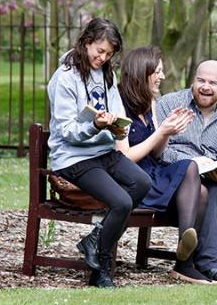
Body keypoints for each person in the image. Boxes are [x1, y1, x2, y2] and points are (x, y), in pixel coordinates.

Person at [46, 18, 152, 288]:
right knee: (122, 203)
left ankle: (95, 239)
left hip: (103, 152)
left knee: (142, 183)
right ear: (86, 41)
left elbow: (116, 112)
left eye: (109, 54)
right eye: (99, 51)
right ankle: (101, 268)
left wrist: (118, 129)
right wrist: (94, 125)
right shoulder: (65, 78)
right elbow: (67, 130)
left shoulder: (107, 74)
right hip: (73, 157)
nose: (103, 58)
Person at [117, 46, 214, 284]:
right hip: (133, 178)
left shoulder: (150, 101)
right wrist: (160, 130)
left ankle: (184, 255)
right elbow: (125, 156)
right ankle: (185, 262)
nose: (162, 77)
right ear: (143, 72)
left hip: (153, 171)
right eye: (157, 72)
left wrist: (168, 131)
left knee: (192, 171)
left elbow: (158, 153)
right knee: (199, 191)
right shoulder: (118, 103)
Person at [156, 60, 217, 283]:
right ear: (193, 80)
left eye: (213, 82)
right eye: (201, 80)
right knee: (207, 185)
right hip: (176, 182)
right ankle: (208, 263)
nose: (205, 86)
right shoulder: (169, 103)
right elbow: (160, 151)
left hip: (213, 179)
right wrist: (192, 162)